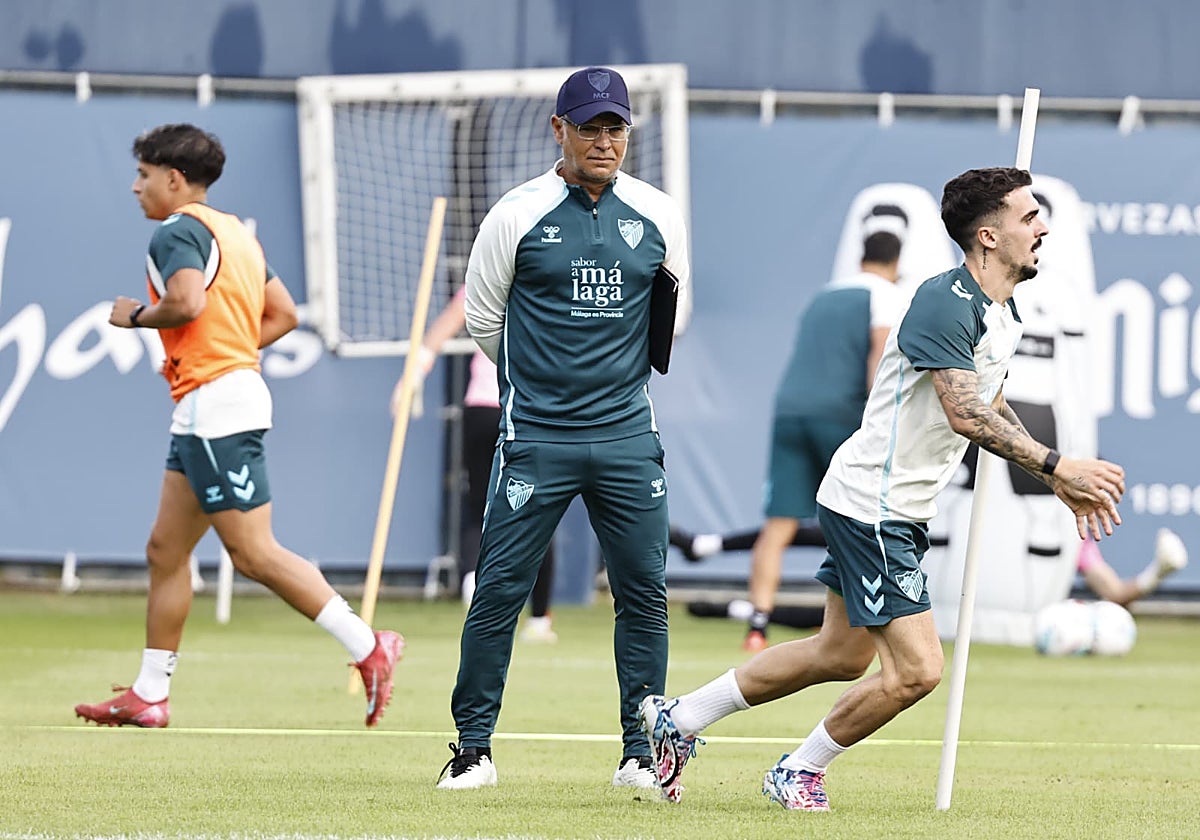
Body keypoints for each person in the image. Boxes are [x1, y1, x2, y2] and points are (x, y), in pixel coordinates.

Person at [639, 166, 1125, 809]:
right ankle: (798, 771)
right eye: (1028, 216)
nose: (1041, 227)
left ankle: (679, 717)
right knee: (919, 670)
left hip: (889, 505)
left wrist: (1047, 477)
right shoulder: (942, 301)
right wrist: (1062, 465)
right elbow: (964, 414)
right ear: (987, 235)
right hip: (875, 506)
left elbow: (992, 403)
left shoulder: (1003, 313)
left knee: (839, 655)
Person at [75, 123, 402, 729]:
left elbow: (188, 303)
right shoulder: (237, 234)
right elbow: (282, 314)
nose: (135, 187)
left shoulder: (176, 231)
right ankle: (149, 693)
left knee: (253, 554)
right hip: (219, 398)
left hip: (214, 407)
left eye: (143, 176)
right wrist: (221, 352)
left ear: (173, 179)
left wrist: (136, 317)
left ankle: (367, 646)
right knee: (165, 551)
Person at [436, 66, 690, 791]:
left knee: (644, 593)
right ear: (559, 129)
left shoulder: (657, 213)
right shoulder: (516, 212)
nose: (604, 140)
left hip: (627, 438)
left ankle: (640, 754)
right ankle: (472, 749)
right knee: (500, 593)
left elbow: (672, 316)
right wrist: (541, 381)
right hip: (536, 438)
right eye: (589, 127)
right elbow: (485, 320)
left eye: (615, 127)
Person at [674, 231, 905, 653]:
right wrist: (880, 418)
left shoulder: (822, 297)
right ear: (896, 262)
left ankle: (757, 626)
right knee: (865, 520)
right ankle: (872, 623)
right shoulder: (887, 296)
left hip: (791, 412)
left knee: (778, 527)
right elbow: (878, 355)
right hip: (843, 414)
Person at [391, 287, 559, 642]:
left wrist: (414, 375)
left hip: (485, 408)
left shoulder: (484, 278)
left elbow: (442, 328)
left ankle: (475, 582)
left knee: (481, 504)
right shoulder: (553, 276)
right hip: (526, 408)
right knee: (540, 510)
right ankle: (539, 617)